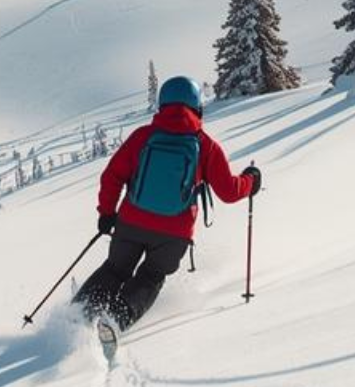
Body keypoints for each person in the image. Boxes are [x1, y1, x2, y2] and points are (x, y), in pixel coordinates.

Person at [74, 75, 261, 332]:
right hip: (174, 234)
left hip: (132, 222)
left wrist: (106, 213)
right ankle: (115, 321)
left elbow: (112, 176)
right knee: (151, 276)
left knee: (116, 268)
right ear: (197, 106)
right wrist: (251, 181)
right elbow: (229, 192)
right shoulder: (205, 146)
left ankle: (78, 315)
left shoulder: (142, 137)